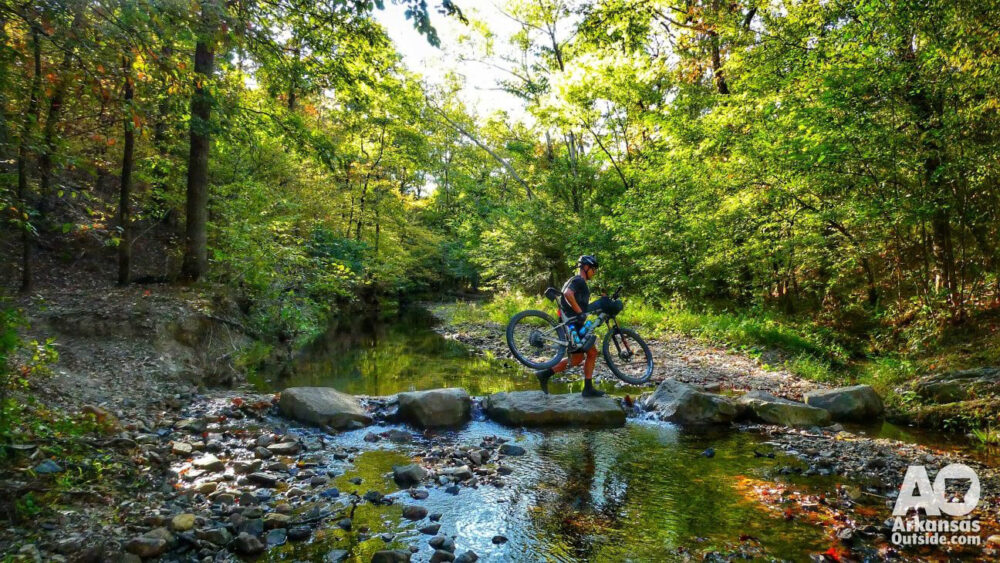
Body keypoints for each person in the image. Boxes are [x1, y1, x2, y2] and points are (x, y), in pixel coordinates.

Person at [534, 255, 605, 398]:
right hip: (572, 323)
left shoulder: (576, 281)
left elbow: (578, 303)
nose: (594, 272)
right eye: (593, 269)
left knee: (578, 359)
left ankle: (544, 374)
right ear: (586, 267)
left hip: (572, 322)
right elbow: (568, 294)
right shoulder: (579, 280)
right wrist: (579, 313)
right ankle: (588, 389)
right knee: (592, 353)